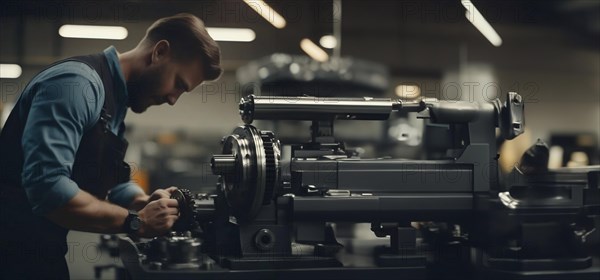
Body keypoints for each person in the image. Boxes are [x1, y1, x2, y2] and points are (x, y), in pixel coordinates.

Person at [0, 13, 222, 279]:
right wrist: (136, 222)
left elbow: (112, 179)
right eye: (178, 84)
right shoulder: (75, 86)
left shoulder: (114, 101)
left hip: (40, 252)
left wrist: (143, 201)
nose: (174, 99)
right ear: (160, 52)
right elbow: (48, 188)